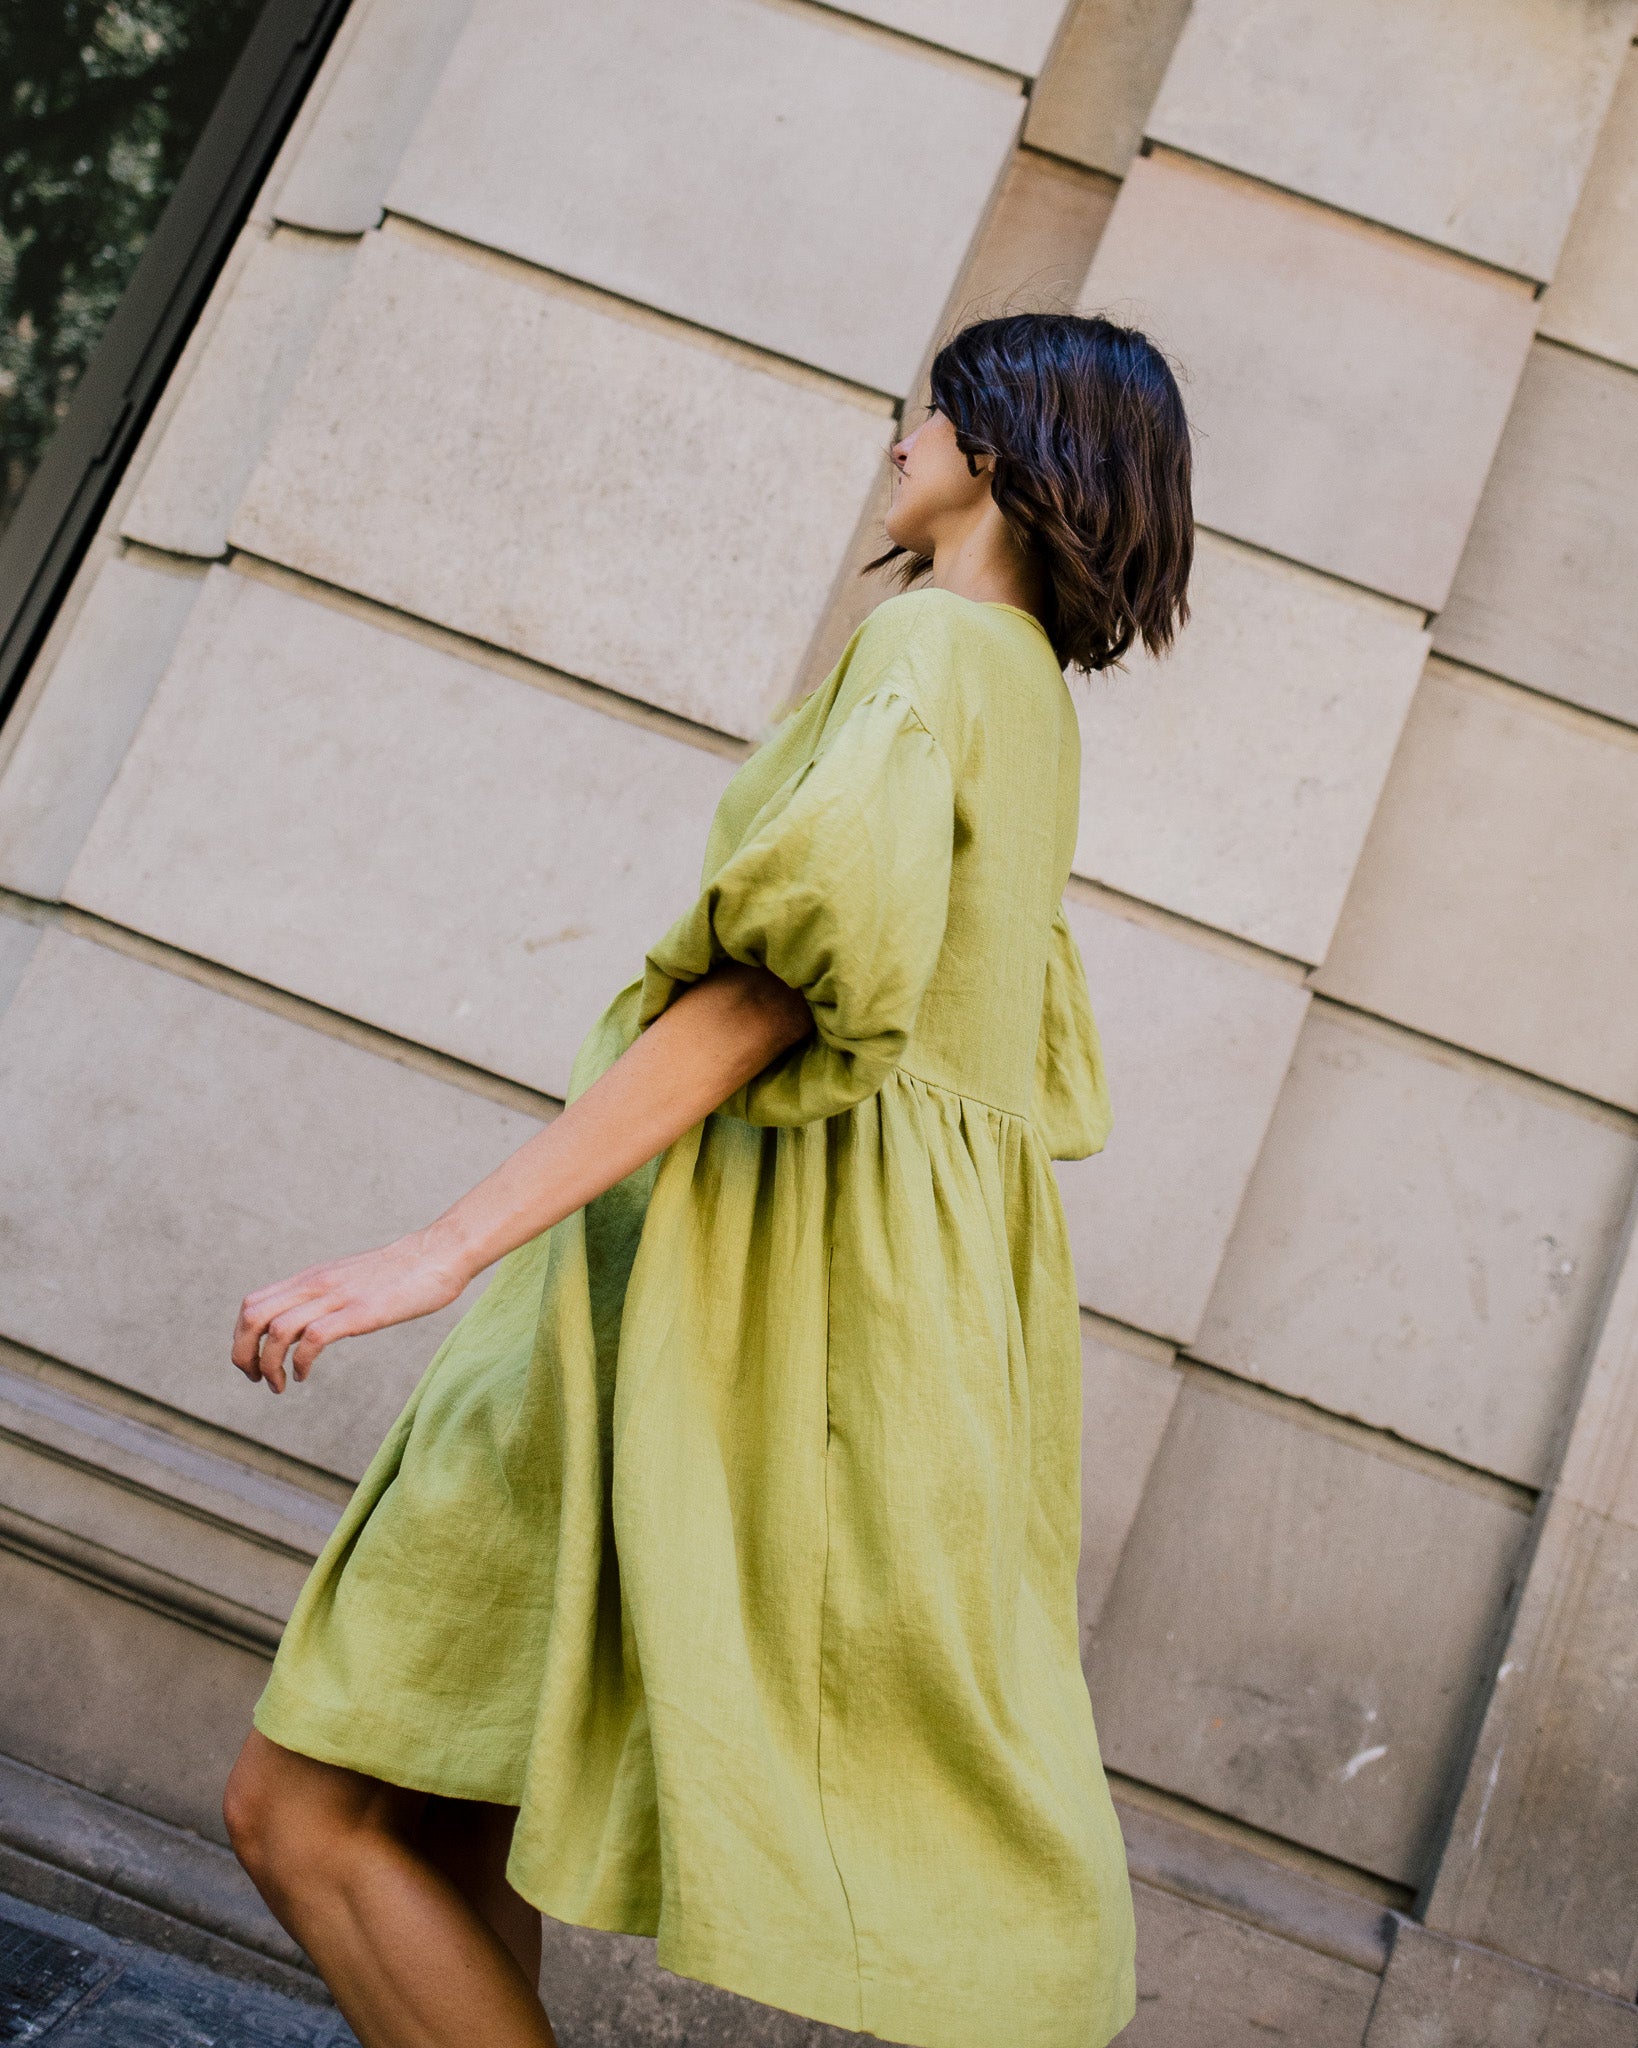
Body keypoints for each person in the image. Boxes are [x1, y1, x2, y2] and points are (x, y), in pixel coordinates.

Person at [222, 311, 1193, 2048]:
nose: (899, 440)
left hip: (703, 1310)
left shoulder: (930, 652)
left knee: (301, 1814)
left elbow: (774, 995)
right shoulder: (1029, 701)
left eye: (929, 414)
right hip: (811, 1329)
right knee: (436, 1808)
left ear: (997, 451)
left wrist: (438, 1250)